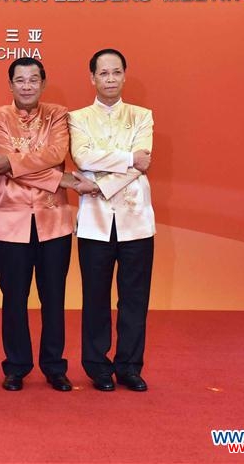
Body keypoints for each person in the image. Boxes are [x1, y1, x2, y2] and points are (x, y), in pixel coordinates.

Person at [0, 57, 95, 392]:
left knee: (54, 296)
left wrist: (16, 164)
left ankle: (54, 366)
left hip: (53, 223)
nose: (27, 86)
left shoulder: (59, 115)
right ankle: (16, 366)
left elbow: (57, 150)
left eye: (34, 80)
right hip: (10, 221)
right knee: (13, 297)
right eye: (21, 80)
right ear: (11, 85)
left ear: (43, 84)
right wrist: (62, 179)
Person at [69, 48, 155, 392]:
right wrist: (127, 158)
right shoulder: (78, 118)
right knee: (95, 297)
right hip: (94, 222)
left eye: (116, 72)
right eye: (103, 73)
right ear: (92, 78)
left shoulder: (142, 115)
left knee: (134, 298)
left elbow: (143, 162)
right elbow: (82, 155)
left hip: (136, 220)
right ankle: (97, 366)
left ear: (124, 75)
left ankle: (130, 366)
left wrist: (99, 182)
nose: (110, 79)